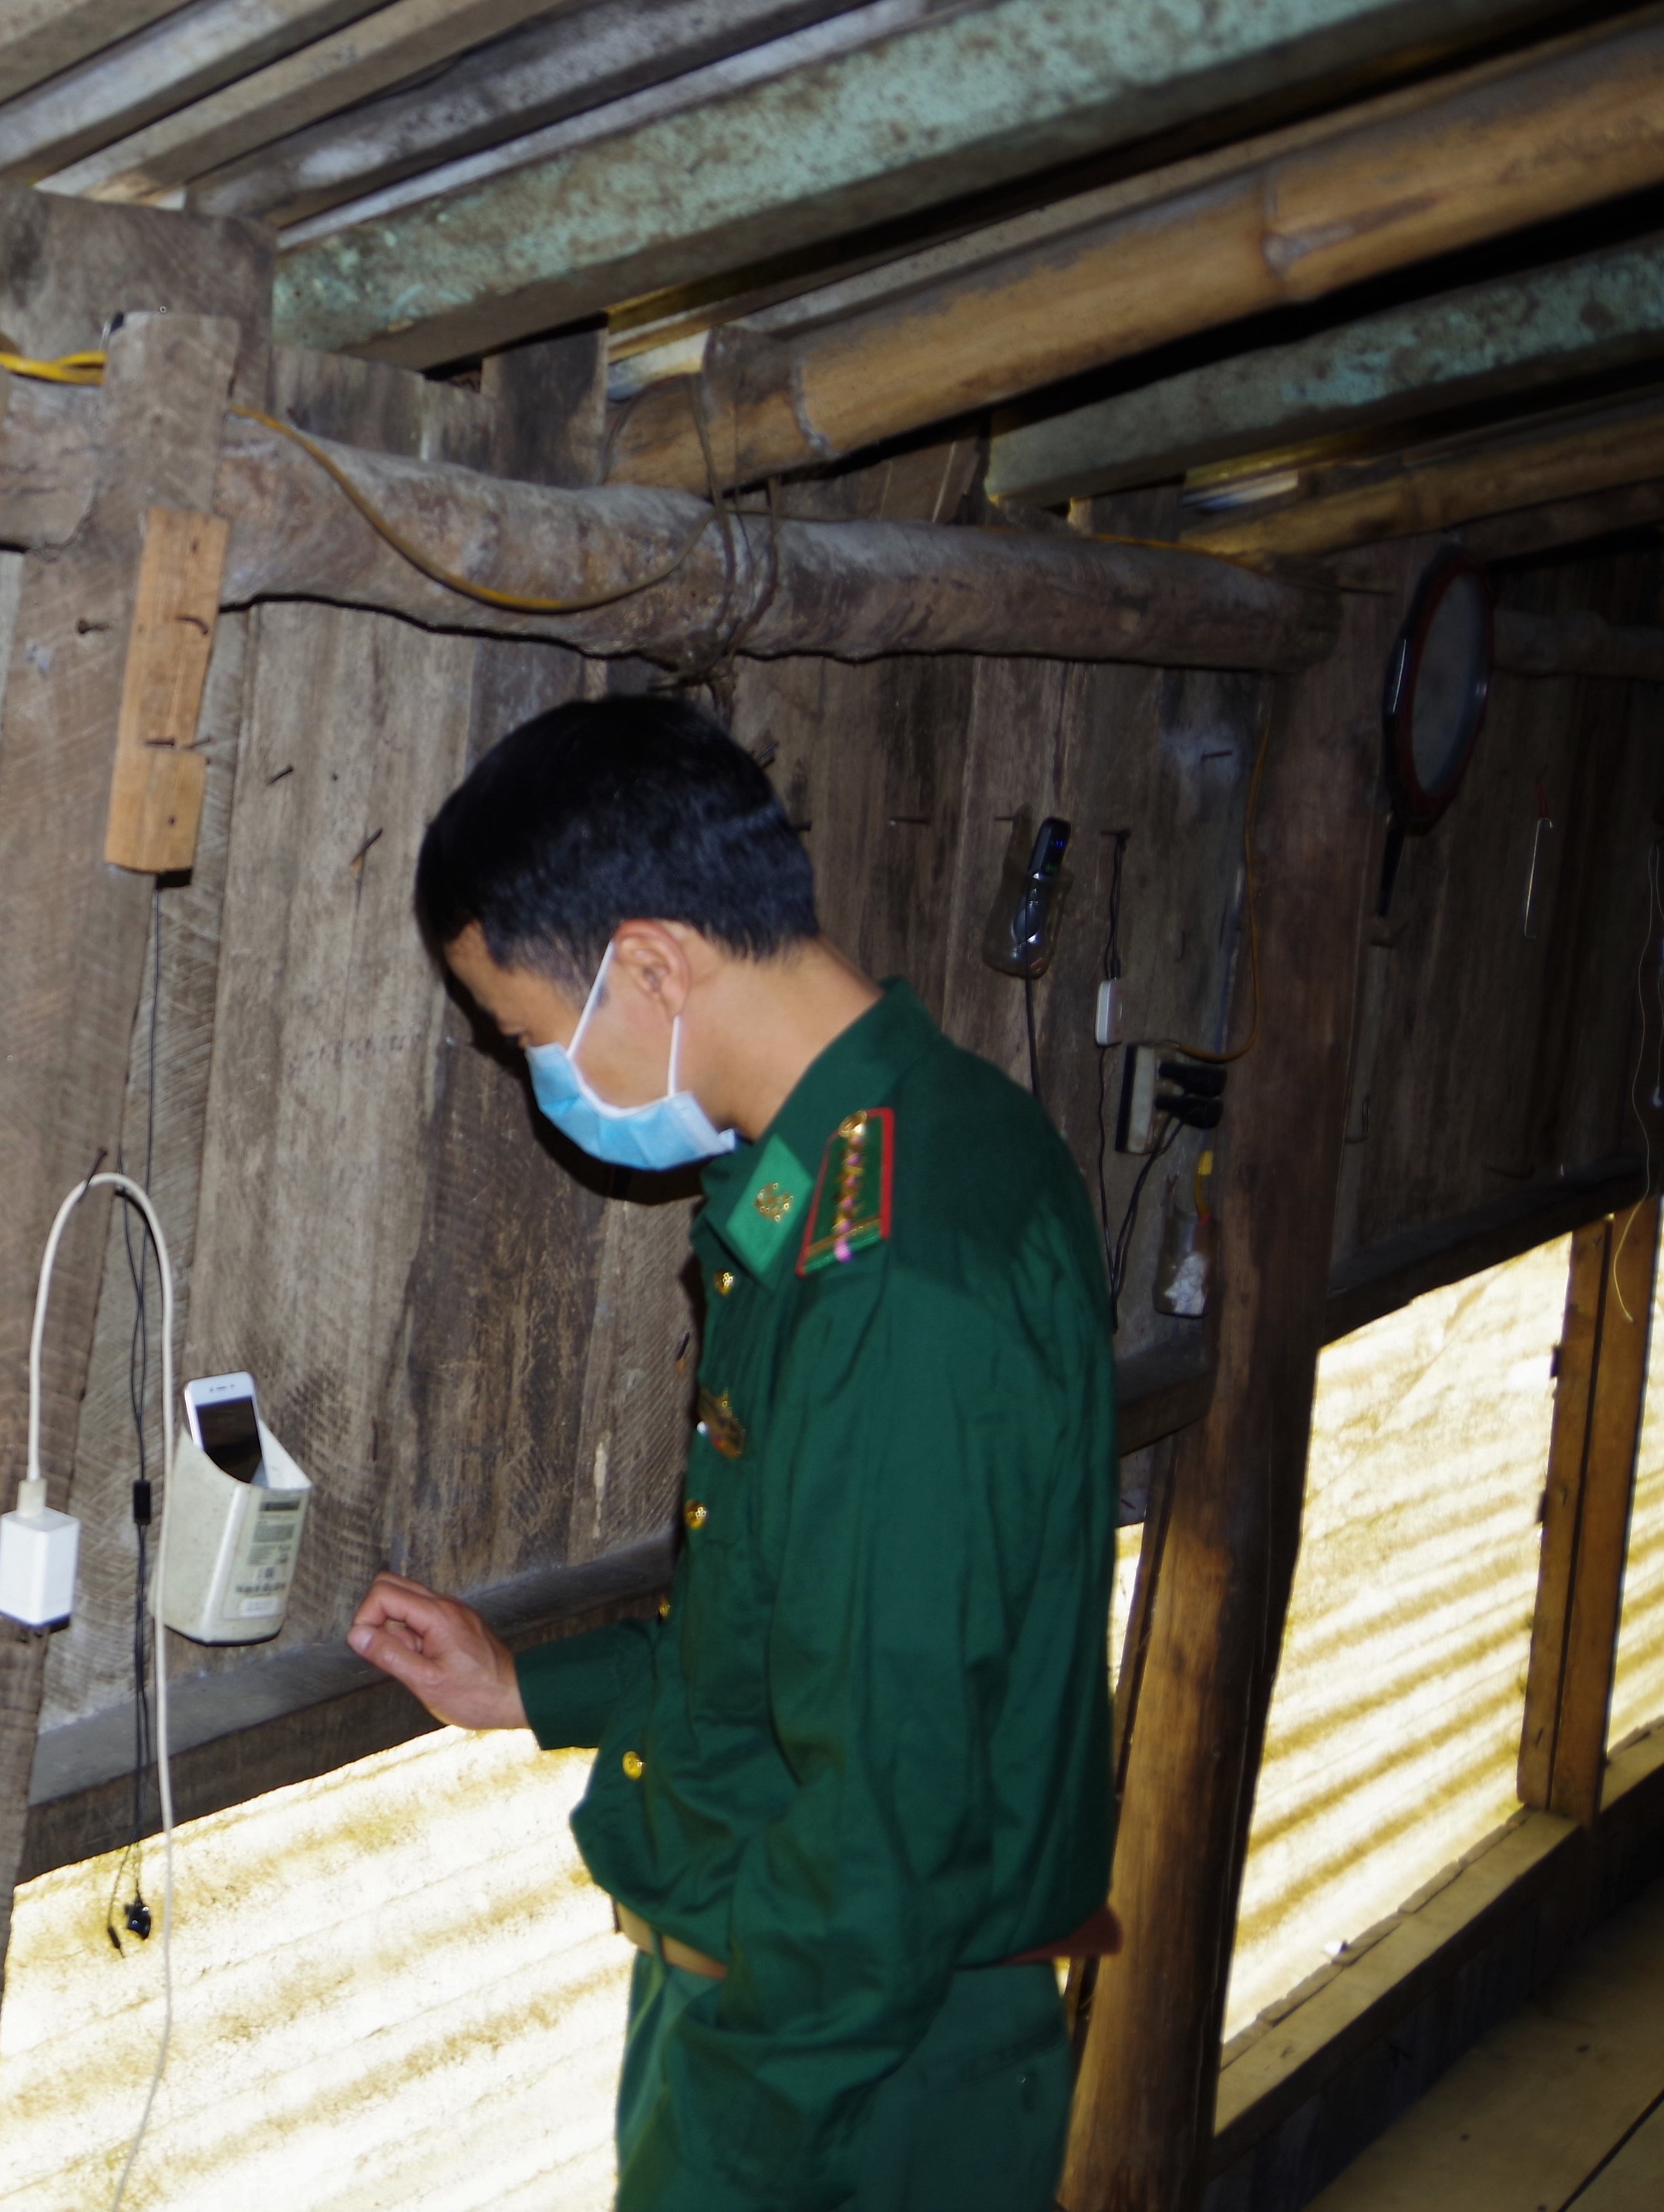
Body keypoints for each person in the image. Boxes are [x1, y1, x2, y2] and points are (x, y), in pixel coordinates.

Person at [349, 695, 1117, 2210]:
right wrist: (527, 1689)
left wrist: (736, 2145)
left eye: (528, 1036)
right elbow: (795, 1637)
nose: (538, 1078)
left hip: (840, 2068)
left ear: (648, 965)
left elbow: (881, 1821)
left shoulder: (892, 1279)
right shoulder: (876, 1152)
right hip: (818, 2009)